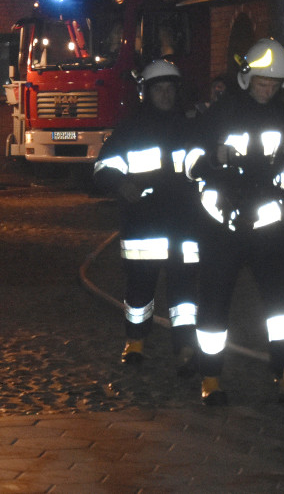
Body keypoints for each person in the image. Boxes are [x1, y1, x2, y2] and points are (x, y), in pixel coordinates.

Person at [186, 37, 284, 405]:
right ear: (246, 78)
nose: (268, 90)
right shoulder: (220, 113)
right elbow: (190, 160)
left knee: (283, 304)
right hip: (221, 224)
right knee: (214, 302)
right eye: (262, 83)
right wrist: (212, 163)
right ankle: (210, 380)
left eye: (274, 85)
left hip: (268, 225)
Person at [93, 59, 201, 376]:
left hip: (183, 225)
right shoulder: (130, 130)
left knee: (184, 296)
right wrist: (121, 183)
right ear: (146, 93)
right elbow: (102, 168)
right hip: (144, 226)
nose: (165, 95)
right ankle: (135, 343)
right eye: (159, 89)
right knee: (140, 288)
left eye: (170, 89)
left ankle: (185, 347)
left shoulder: (190, 129)